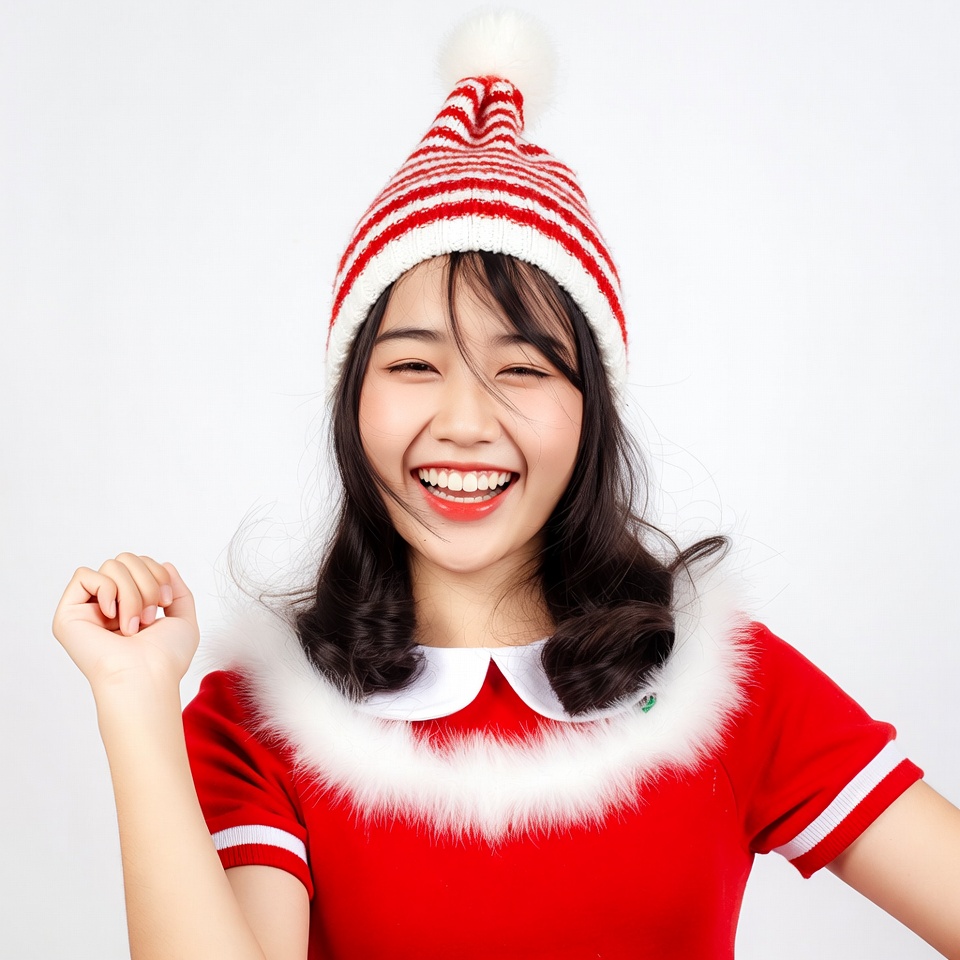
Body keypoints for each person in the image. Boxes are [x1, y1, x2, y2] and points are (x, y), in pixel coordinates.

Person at [52, 12, 960, 960]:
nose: (467, 421)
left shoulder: (727, 684)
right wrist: (134, 699)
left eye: (522, 369)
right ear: (350, 399)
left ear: (589, 409)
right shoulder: (259, 722)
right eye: (412, 365)